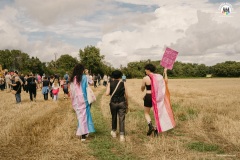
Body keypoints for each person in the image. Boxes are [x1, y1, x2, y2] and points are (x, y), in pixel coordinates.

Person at [141, 64, 175, 136]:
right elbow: (166, 81)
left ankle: (150, 126)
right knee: (157, 113)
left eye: (145, 69)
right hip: (157, 97)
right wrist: (165, 72)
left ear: (148, 70)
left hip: (148, 96)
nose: (145, 71)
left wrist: (143, 88)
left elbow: (142, 88)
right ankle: (156, 129)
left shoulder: (145, 78)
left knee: (146, 113)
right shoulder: (159, 77)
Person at [69, 64, 95, 142]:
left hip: (77, 99)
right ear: (82, 70)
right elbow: (92, 83)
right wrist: (87, 74)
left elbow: (72, 90)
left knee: (80, 116)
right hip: (85, 99)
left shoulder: (73, 78)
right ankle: (83, 134)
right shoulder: (85, 77)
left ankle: (84, 131)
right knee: (85, 115)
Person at [106, 70, 128, 142]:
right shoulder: (123, 82)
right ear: (120, 76)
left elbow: (107, 93)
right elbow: (126, 94)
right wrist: (127, 102)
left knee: (114, 117)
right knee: (122, 118)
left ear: (113, 76)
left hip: (113, 103)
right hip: (122, 102)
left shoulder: (110, 83)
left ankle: (114, 132)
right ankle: (122, 135)